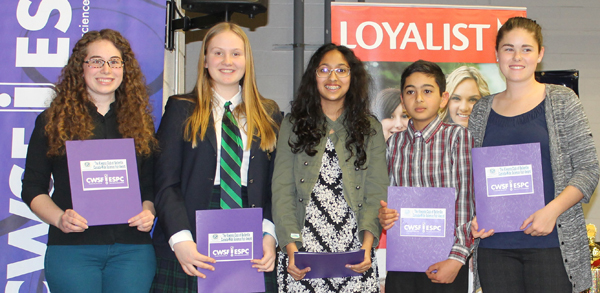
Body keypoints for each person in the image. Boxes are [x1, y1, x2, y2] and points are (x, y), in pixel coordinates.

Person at [469, 16, 599, 293]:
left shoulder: (562, 101)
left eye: (526, 49)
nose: (517, 57)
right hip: (495, 248)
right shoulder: (480, 110)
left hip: (552, 244)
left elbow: (589, 168)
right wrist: (475, 215)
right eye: (508, 48)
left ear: (540, 54)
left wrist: (551, 212)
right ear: (496, 54)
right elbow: (472, 176)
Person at [21, 29, 157, 292]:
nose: (106, 69)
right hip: (72, 251)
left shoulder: (141, 123)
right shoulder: (52, 121)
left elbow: (150, 186)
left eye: (114, 62)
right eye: (96, 61)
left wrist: (148, 212)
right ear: (79, 68)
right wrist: (60, 218)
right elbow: (33, 188)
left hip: (132, 252)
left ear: (124, 69)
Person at [151, 22, 282, 292]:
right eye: (218, 53)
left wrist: (269, 235)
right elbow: (165, 182)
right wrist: (181, 240)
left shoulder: (269, 113)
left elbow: (276, 187)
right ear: (205, 59)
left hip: (250, 231)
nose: (227, 61)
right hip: (190, 230)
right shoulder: (181, 109)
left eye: (236, 53)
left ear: (247, 60)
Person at [272, 43, 388, 292]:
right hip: (301, 259)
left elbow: (376, 194)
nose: (332, 77)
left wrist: (366, 249)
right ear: (313, 76)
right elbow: (282, 192)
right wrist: (292, 250)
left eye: (341, 70)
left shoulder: (370, 129)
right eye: (324, 69)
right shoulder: (293, 125)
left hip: (355, 256)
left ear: (352, 76)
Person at [379, 60, 475, 292]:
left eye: (427, 91)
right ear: (402, 99)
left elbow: (466, 203)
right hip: (403, 261)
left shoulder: (458, 138)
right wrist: (383, 215)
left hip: (446, 260)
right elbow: (388, 197)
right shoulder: (394, 143)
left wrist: (457, 258)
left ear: (443, 99)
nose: (419, 99)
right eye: (410, 92)